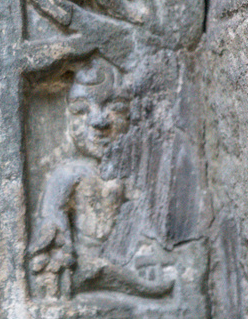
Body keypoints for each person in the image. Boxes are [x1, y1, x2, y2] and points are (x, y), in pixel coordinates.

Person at [28, 58, 174, 298]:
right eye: (81, 110)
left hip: (123, 260)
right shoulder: (68, 174)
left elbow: (146, 221)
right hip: (84, 265)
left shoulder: (132, 172)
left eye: (116, 108)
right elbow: (52, 227)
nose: (99, 121)